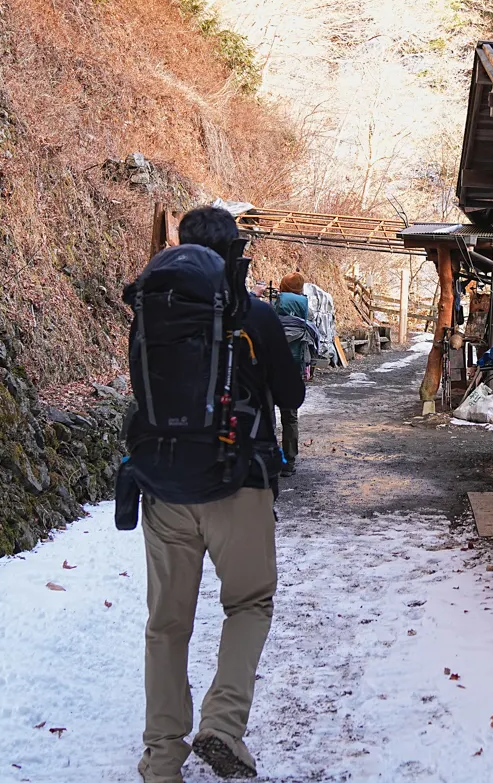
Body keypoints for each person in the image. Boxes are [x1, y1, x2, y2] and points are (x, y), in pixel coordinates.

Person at [125, 207, 304, 782]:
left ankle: (161, 759)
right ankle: (222, 727)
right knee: (248, 603)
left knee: (167, 624)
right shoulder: (255, 314)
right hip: (239, 484)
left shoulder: (153, 313)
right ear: (234, 252)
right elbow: (292, 397)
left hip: (165, 486)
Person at [272, 271, 316, 475]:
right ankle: (289, 462)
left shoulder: (273, 310)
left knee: (267, 415)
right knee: (290, 417)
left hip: (270, 371)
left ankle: (268, 456)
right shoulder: (306, 312)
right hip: (294, 370)